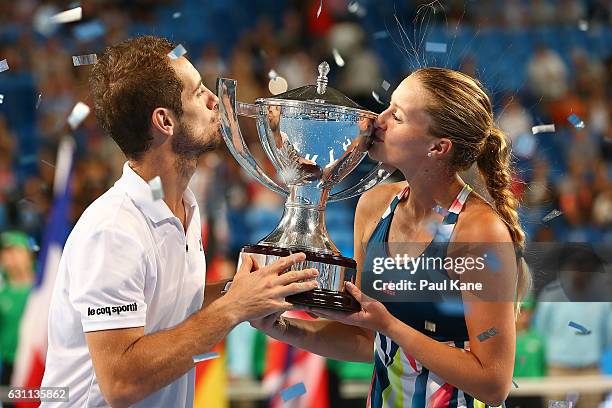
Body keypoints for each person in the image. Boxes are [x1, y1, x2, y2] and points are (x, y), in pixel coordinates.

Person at [40, 36, 319, 408]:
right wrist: (234, 306)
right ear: (165, 121)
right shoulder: (112, 231)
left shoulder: (182, 206)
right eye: (199, 92)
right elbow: (121, 383)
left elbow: (168, 312)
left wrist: (246, 290)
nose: (214, 102)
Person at [251, 67, 529, 406]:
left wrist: (391, 326)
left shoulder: (478, 231)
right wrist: (281, 328)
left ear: (438, 147)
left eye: (396, 116)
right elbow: (368, 340)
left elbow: (493, 384)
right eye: (387, 106)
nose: (376, 120)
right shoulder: (375, 205)